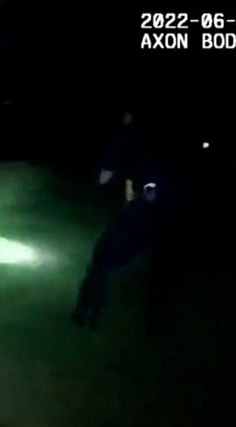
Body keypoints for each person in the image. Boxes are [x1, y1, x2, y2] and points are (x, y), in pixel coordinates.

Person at [73, 109, 171, 330]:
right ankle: (95, 314)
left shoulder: (128, 139)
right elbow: (147, 183)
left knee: (102, 263)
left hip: (136, 215)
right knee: (119, 265)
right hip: (149, 216)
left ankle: (88, 313)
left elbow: (110, 175)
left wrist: (108, 186)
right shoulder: (156, 143)